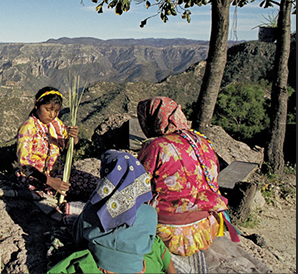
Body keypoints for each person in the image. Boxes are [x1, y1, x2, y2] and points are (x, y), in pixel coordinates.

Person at [49, 150, 176, 274]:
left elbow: (79, 237)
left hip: (103, 266)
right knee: (155, 244)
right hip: (136, 268)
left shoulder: (95, 207)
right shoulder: (150, 213)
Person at [136, 96, 231, 258]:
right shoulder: (204, 142)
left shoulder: (156, 146)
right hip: (207, 228)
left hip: (170, 234)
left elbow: (137, 188)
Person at [16, 86, 98, 205]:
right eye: (48, 109)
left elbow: (69, 145)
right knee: (50, 198)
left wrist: (73, 137)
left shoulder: (56, 124)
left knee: (95, 184)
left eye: (56, 111)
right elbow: (24, 164)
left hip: (58, 172)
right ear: (36, 105)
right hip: (36, 177)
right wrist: (50, 181)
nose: (52, 115)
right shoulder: (28, 128)